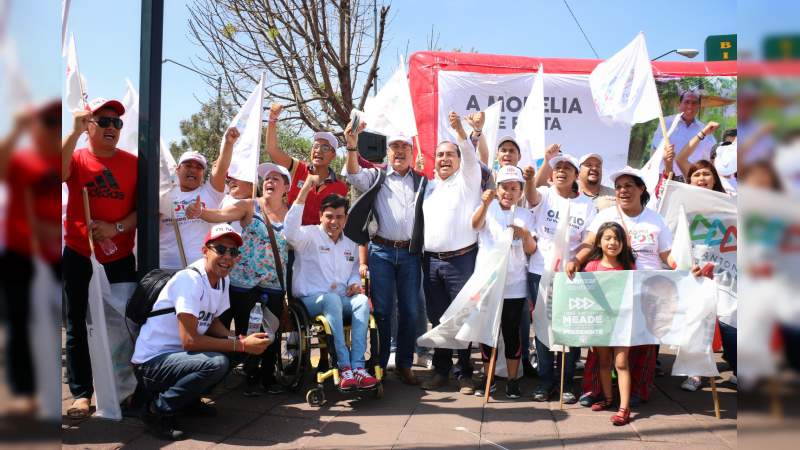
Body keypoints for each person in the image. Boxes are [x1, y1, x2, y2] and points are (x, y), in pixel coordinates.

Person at [132, 224, 270, 440]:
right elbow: (190, 341)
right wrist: (241, 344)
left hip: (178, 359)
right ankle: (157, 409)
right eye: (221, 249)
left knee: (233, 352)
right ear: (205, 250)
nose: (227, 257)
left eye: (233, 252)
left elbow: (212, 318)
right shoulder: (190, 280)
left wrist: (235, 339)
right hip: (152, 363)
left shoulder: (221, 279)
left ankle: (187, 401)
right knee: (217, 362)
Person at [568, 167, 673, 407]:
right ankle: (594, 390)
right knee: (602, 343)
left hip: (645, 290)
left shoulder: (655, 219)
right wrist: (576, 260)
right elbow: (588, 243)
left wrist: (689, 268)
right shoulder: (605, 216)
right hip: (609, 288)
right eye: (618, 187)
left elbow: (668, 254)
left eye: (628, 186)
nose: (623, 191)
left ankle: (638, 390)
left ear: (641, 189)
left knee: (642, 343)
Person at [61, 98, 138, 418]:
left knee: (121, 325)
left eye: (117, 123)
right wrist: (72, 132)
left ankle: (123, 389)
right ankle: (81, 393)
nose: (111, 128)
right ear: (89, 125)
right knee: (77, 323)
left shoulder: (134, 163)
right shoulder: (76, 158)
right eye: (103, 121)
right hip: (79, 253)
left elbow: (142, 212)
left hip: (119, 257)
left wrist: (115, 227)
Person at [186, 163, 291, 394]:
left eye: (276, 178)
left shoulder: (292, 214)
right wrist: (201, 213)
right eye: (267, 179)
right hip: (243, 282)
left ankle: (268, 376)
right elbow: (222, 215)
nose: (270, 182)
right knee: (247, 329)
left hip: (273, 283)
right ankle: (250, 375)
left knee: (272, 330)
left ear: (286, 187)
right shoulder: (248, 206)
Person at [344, 120, 426, 386]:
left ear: (412, 153)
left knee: (411, 311)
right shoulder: (377, 175)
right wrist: (352, 146)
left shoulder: (423, 181)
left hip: (411, 254)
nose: (399, 151)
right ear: (387, 152)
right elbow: (354, 175)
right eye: (394, 147)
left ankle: (404, 364)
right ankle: (378, 364)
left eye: (404, 146)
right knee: (382, 311)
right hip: (381, 251)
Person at [283, 175, 377, 390]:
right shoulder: (308, 235)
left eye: (339, 217)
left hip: (341, 300)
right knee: (332, 299)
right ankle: (344, 367)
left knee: (362, 300)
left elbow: (354, 270)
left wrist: (355, 283)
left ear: (345, 219)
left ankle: (359, 368)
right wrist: (305, 189)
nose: (334, 222)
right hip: (310, 300)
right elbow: (289, 232)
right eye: (329, 216)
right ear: (320, 216)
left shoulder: (350, 242)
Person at [0, 99, 62, 416]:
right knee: (21, 324)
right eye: (49, 121)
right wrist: (16, 129)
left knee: (55, 324)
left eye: (59, 122)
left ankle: (51, 391)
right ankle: (25, 392)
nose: (55, 128)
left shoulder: (64, 161)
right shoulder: (23, 160)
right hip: (20, 256)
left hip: (56, 258)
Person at [418, 112, 482, 394]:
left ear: (458, 160)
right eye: (440, 155)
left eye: (449, 155)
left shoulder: (468, 180)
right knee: (438, 317)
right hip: (430, 262)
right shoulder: (428, 186)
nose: (444, 159)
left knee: (462, 317)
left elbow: (469, 154)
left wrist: (460, 132)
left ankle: (465, 373)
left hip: (461, 260)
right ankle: (441, 370)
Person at [526, 149, 597, 403]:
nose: (561, 171)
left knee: (570, 329)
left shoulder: (587, 205)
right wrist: (530, 177)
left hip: (570, 276)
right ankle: (545, 382)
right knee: (544, 328)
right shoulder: (544, 195)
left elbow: (590, 239)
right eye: (557, 167)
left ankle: (567, 383)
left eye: (567, 167)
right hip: (540, 272)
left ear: (576, 175)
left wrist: (578, 260)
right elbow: (530, 195)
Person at [471, 166, 537, 399]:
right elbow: (475, 225)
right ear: (496, 188)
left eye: (514, 188)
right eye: (504, 187)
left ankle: (511, 380)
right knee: (487, 333)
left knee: (511, 334)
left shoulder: (526, 215)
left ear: (520, 191)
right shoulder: (488, 209)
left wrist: (525, 234)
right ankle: (487, 379)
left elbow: (531, 249)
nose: (508, 192)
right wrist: (485, 204)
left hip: (514, 285)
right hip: (488, 282)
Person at [581, 222, 637, 425]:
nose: (613, 242)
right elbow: (583, 295)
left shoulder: (629, 267)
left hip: (623, 322)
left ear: (623, 243)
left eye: (617, 238)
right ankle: (608, 399)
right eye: (608, 238)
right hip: (600, 323)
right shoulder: (591, 267)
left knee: (621, 363)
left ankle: (624, 408)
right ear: (599, 242)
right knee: (603, 363)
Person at [159, 127, 239, 269]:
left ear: (203, 173)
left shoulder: (210, 192)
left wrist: (228, 144)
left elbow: (220, 170)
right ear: (177, 170)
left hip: (199, 270)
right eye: (188, 165)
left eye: (199, 167)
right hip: (164, 267)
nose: (193, 170)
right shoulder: (164, 193)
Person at [265, 103, 347, 225]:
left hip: (315, 242)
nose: (318, 150)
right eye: (316, 146)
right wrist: (272, 119)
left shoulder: (341, 188)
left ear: (333, 155)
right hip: (288, 236)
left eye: (325, 148)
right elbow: (272, 150)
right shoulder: (298, 168)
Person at [651, 90, 717, 180]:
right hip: (666, 176)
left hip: (692, 180)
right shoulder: (666, 123)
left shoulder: (705, 129)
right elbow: (655, 149)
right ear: (679, 104)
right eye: (686, 102)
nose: (690, 106)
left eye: (694, 103)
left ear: (699, 107)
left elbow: (712, 156)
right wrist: (666, 154)